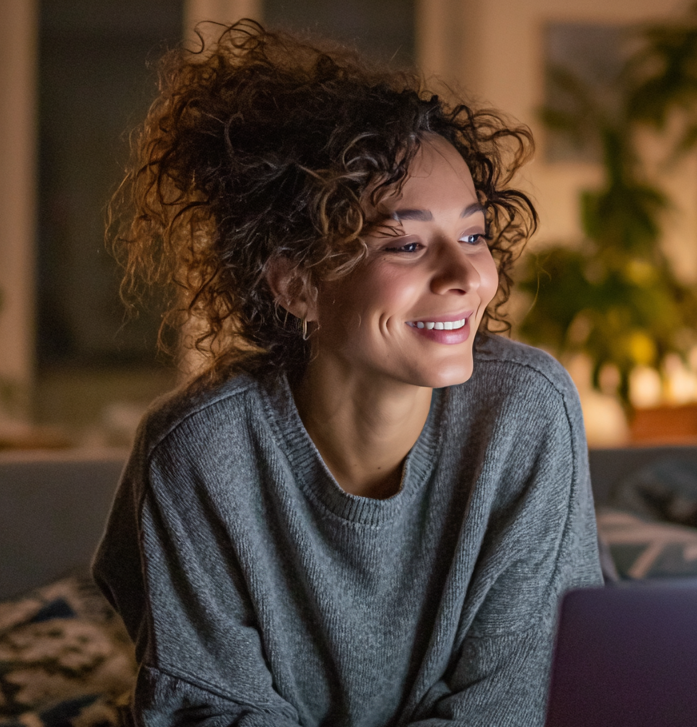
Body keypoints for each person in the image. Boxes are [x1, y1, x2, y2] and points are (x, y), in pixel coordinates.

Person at [93, 20, 602, 726]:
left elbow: (518, 702)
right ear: (296, 285)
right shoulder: (197, 451)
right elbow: (211, 709)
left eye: (473, 234)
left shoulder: (526, 411)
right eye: (405, 244)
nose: (464, 275)